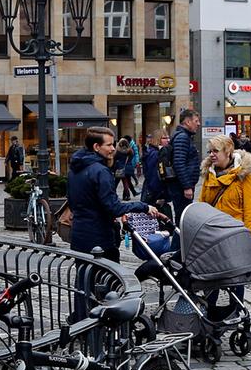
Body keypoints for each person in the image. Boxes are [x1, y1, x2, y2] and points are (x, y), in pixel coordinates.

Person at [67, 126, 163, 261]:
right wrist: (144, 206)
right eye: (109, 145)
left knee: (84, 275)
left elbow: (71, 202)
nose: (113, 148)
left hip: (79, 234)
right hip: (99, 237)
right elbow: (114, 207)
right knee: (108, 277)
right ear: (96, 147)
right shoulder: (100, 171)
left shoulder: (74, 169)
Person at [200, 134, 251, 239]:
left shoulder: (243, 175)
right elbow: (202, 207)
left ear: (227, 152)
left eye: (216, 151)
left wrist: (250, 238)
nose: (211, 155)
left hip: (235, 234)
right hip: (212, 235)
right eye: (210, 151)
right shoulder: (209, 174)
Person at [167, 108, 202, 222]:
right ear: (187, 122)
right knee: (182, 219)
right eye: (196, 121)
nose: (198, 124)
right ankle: (179, 240)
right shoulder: (182, 137)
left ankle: (181, 239)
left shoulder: (184, 136)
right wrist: (187, 186)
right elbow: (179, 163)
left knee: (183, 218)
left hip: (182, 185)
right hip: (180, 186)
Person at [142, 132, 168, 203]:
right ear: (158, 140)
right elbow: (153, 175)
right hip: (154, 193)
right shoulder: (155, 154)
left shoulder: (159, 152)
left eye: (168, 138)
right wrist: (159, 195)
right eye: (164, 138)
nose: (167, 140)